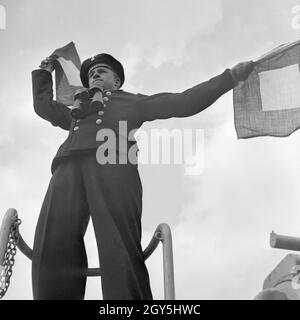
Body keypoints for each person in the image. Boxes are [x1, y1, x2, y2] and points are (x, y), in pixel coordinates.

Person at [31, 53, 254, 300]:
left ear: (116, 82)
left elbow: (183, 101)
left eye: (102, 71)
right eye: (92, 73)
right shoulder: (77, 106)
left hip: (112, 165)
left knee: (118, 242)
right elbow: (43, 106)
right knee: (54, 240)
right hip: (68, 164)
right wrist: (44, 72)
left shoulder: (131, 102)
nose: (95, 74)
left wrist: (229, 78)